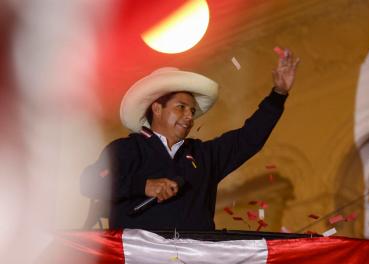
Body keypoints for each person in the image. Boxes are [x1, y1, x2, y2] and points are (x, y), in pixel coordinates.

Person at [81, 48, 300, 230]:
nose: (189, 116)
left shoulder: (203, 156)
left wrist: (278, 95)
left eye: (192, 111)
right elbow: (89, 182)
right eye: (181, 107)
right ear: (157, 108)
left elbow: (248, 138)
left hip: (196, 261)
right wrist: (143, 186)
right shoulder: (125, 150)